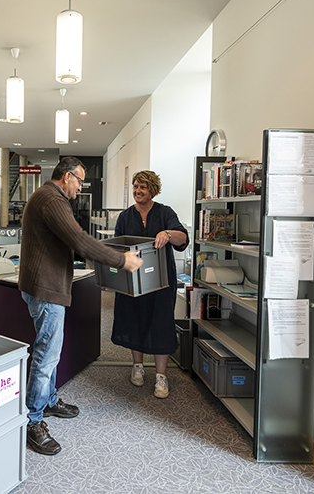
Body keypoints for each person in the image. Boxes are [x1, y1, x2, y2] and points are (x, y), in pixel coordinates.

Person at [19, 157, 143, 455]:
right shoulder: (52, 200)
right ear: (66, 176)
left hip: (44, 285)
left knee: (49, 350)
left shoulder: (49, 197)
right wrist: (121, 260)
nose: (80, 186)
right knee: (46, 356)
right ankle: (31, 421)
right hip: (45, 289)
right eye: (79, 180)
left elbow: (68, 240)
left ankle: (47, 402)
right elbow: (80, 240)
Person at [111, 170, 189, 399]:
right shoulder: (125, 217)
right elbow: (116, 247)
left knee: (161, 323)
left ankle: (161, 375)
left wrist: (167, 233)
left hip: (161, 282)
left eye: (143, 187)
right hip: (132, 281)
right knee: (134, 320)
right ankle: (137, 366)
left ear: (152, 189)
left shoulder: (165, 213)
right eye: (135, 186)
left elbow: (183, 238)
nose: (138, 191)